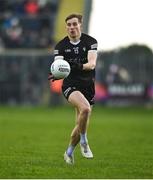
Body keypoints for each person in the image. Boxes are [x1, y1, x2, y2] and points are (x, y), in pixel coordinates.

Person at [48, 13, 98, 165]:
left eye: (74, 24)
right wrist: (57, 73)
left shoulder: (90, 41)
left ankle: (68, 152)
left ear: (80, 25)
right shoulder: (61, 46)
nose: (72, 27)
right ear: (66, 27)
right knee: (86, 109)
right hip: (71, 85)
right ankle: (84, 141)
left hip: (88, 86)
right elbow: (58, 65)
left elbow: (92, 64)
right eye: (69, 25)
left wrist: (77, 66)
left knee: (80, 122)